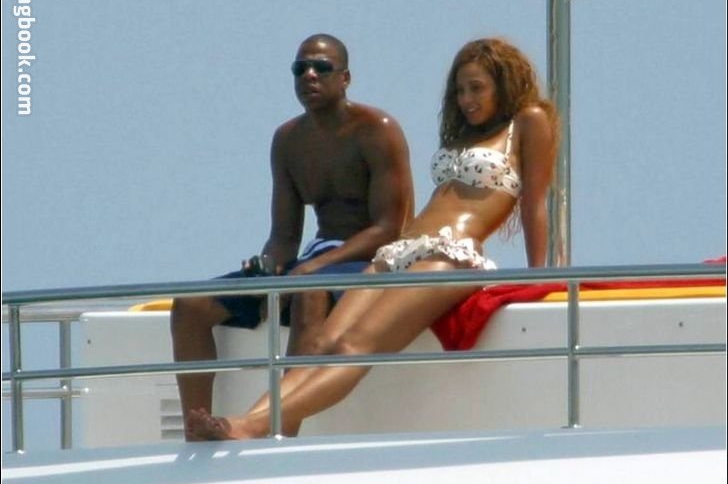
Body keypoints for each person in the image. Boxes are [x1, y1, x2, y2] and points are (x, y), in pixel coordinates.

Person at [187, 36, 559, 441]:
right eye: (460, 90)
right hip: (399, 251)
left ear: (504, 83)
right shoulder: (468, 135)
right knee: (324, 343)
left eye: (477, 88)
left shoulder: (529, 120)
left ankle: (250, 426)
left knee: (355, 346)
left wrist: (539, 274)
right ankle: (252, 421)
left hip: (452, 254)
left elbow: (534, 204)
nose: (466, 99)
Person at [172, 33, 414, 440]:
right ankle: (196, 430)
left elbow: (389, 228)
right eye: (300, 68)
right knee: (190, 305)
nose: (309, 75)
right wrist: (268, 266)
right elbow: (284, 237)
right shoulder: (288, 140)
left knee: (307, 291)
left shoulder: (378, 130)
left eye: (322, 67)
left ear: (345, 78)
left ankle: (280, 434)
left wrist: (313, 268)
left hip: (371, 264)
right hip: (316, 262)